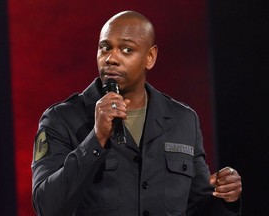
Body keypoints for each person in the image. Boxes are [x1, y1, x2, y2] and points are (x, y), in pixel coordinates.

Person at [31, 10, 242, 216]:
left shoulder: (182, 119)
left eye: (126, 50)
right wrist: (96, 139)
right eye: (105, 48)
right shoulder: (62, 119)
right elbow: (46, 206)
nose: (111, 58)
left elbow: (199, 206)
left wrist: (226, 197)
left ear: (150, 57)